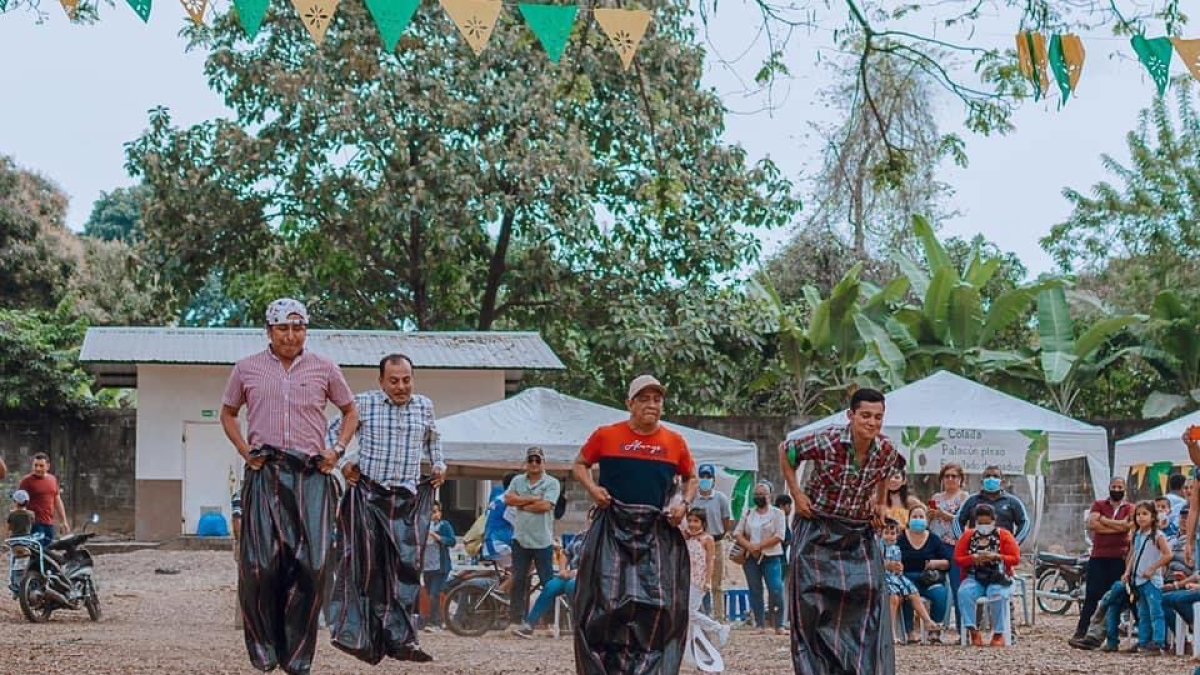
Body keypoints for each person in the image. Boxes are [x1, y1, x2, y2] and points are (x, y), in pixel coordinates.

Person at [220, 298, 358, 675]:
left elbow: (350, 410)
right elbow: (228, 413)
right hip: (265, 470)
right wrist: (244, 450)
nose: (291, 335)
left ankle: (297, 656)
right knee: (260, 566)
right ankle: (264, 645)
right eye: (283, 328)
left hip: (311, 475)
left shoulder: (324, 367)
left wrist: (338, 450)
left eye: (298, 328)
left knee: (312, 568)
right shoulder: (247, 369)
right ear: (269, 331)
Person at [325, 352, 446, 664]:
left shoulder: (425, 406)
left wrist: (439, 464)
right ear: (381, 382)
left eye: (406, 380)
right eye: (393, 381)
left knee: (405, 568)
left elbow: (433, 440)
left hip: (405, 498)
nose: (401, 386)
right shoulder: (363, 404)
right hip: (367, 494)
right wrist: (343, 464)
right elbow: (331, 433)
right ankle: (355, 636)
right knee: (363, 565)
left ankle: (402, 640)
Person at [572, 374, 697, 675]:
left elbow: (691, 477)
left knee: (657, 605)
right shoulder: (606, 435)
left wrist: (684, 504)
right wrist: (594, 490)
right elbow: (579, 464)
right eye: (644, 399)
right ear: (629, 403)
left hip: (655, 529)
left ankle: (647, 668)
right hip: (612, 527)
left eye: (657, 399)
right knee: (605, 603)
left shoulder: (674, 442)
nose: (652, 405)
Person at [779, 387, 904, 674]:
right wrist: (797, 494)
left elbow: (886, 474)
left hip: (857, 531)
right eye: (866, 416)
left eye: (878, 417)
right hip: (817, 527)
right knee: (812, 601)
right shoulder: (826, 440)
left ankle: (858, 666)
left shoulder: (886, 450)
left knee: (869, 593)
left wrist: (881, 503)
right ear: (851, 415)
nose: (872, 423)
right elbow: (786, 450)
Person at [1069, 476, 1133, 645]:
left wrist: (1104, 522)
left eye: (1120, 487)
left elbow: (1128, 527)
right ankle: (1082, 630)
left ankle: (1106, 634)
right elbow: (1092, 524)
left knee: (1114, 597)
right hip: (1098, 556)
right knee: (1092, 596)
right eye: (1114, 486)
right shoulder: (1099, 504)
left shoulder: (1130, 507)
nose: (1117, 490)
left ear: (1125, 489)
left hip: (1119, 557)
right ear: (1109, 487)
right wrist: (1118, 526)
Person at [505, 446, 561, 634]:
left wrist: (522, 504)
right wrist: (531, 499)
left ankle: (549, 623)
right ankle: (515, 620)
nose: (534, 464)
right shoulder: (517, 480)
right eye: (531, 460)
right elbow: (509, 499)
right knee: (519, 580)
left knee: (548, 582)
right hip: (520, 538)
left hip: (543, 540)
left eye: (538, 460)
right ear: (526, 463)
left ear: (544, 462)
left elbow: (546, 505)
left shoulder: (552, 482)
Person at [955, 503, 1021, 647]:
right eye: (980, 523)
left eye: (987, 522)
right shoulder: (968, 535)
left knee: (997, 594)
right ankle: (973, 630)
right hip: (974, 577)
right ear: (975, 522)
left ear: (994, 520)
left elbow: (1015, 558)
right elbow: (958, 559)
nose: (984, 526)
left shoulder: (1004, 535)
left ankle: (999, 633)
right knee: (964, 593)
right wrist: (973, 558)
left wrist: (997, 557)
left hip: (998, 577)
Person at [1119, 500, 1172, 655]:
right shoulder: (1138, 535)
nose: (1141, 518)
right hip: (1138, 579)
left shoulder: (1157, 536)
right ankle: (1144, 641)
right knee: (1143, 614)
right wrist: (1128, 571)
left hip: (1151, 581)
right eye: (1138, 514)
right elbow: (1134, 554)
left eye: (1145, 514)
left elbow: (1168, 554)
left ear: (1153, 516)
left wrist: (1153, 568)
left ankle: (1158, 642)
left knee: (1156, 612)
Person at [514, 525, 586, 638]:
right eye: (591, 518)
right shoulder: (580, 536)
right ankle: (530, 625)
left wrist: (578, 572)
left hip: (589, 575)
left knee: (571, 586)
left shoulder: (603, 539)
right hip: (571, 574)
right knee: (550, 586)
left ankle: (580, 625)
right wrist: (563, 570)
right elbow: (565, 553)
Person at [682, 508, 731, 668]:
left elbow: (710, 560)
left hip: (698, 580)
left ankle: (718, 628)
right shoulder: (687, 538)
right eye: (690, 520)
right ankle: (693, 651)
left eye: (696, 521)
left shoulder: (707, 539)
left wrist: (708, 580)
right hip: (685, 579)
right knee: (688, 616)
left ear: (703, 523)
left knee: (691, 612)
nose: (692, 524)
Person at [897, 505, 951, 643]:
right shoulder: (900, 538)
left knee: (940, 594)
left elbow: (947, 562)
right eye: (915, 517)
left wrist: (935, 563)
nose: (918, 519)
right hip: (907, 578)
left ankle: (934, 630)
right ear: (909, 520)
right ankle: (910, 631)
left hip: (929, 579)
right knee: (906, 594)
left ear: (926, 520)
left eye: (921, 517)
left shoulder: (934, 539)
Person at [881, 519, 938, 644]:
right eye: (886, 533)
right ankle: (892, 633)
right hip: (884, 577)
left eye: (893, 533)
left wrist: (900, 567)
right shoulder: (879, 546)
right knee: (894, 599)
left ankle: (927, 620)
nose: (890, 536)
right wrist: (887, 565)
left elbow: (899, 563)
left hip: (896, 577)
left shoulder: (896, 548)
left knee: (913, 592)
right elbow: (876, 563)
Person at [693, 463, 733, 620]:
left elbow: (726, 520)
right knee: (699, 580)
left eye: (708, 476)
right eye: (702, 476)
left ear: (713, 479)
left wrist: (720, 535)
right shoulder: (694, 499)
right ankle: (701, 615)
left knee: (717, 582)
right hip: (698, 544)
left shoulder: (720, 498)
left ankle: (719, 617)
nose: (705, 479)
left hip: (716, 542)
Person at [953, 465, 1031, 544]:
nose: (991, 478)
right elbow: (957, 521)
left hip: (1004, 549)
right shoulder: (971, 500)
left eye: (995, 476)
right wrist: (963, 542)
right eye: (987, 476)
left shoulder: (1012, 501)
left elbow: (1025, 522)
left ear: (1002, 481)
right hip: (976, 549)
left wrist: (1015, 543)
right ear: (982, 481)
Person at [421, 501, 456, 632]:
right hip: (427, 566)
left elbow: (452, 541)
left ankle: (435, 622)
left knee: (434, 594)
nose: (433, 515)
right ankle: (432, 619)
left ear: (440, 513)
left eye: (435, 511)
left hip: (440, 566)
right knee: (429, 593)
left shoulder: (444, 525)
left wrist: (438, 538)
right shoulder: (423, 526)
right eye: (430, 512)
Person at [19, 453, 70, 542]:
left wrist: (63, 521)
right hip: (34, 524)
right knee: (38, 552)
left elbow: (57, 500)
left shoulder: (52, 479)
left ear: (48, 466)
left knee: (49, 550)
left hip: (49, 523)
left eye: (41, 466)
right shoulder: (26, 481)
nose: (38, 468)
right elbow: (19, 503)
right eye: (35, 465)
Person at [928, 463, 969, 547]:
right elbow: (929, 520)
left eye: (954, 476)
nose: (950, 479)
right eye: (946, 476)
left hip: (955, 543)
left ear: (960, 479)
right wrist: (930, 515)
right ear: (942, 479)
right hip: (935, 541)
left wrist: (943, 514)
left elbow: (965, 521)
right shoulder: (936, 497)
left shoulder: (964, 497)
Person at [7, 489, 33, 597]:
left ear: (16, 502)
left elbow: (9, 529)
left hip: (15, 542)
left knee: (13, 564)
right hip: (27, 541)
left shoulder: (12, 515)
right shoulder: (31, 514)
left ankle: (15, 587)